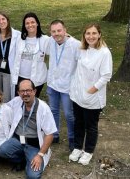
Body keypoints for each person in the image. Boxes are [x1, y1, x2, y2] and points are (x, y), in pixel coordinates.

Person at [68, 23, 112, 166]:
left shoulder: (104, 53)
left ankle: (88, 151)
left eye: (94, 33)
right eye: (88, 33)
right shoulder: (82, 49)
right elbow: (71, 41)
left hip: (93, 97)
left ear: (99, 34)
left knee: (91, 126)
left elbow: (106, 76)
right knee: (78, 123)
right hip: (78, 95)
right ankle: (77, 147)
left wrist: (92, 90)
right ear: (84, 35)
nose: (91, 36)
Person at [0, 79, 56, 178]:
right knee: (2, 151)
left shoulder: (43, 108)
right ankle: (23, 160)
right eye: (22, 91)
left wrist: (40, 155)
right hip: (17, 140)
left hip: (34, 145)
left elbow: (50, 134)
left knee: (33, 176)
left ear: (34, 91)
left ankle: (31, 159)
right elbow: (3, 109)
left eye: (28, 90)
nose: (25, 93)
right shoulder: (16, 101)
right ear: (18, 93)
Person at [46, 20, 80, 150]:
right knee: (53, 111)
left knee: (68, 114)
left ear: (65, 30)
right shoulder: (50, 41)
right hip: (52, 84)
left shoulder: (75, 45)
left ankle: (72, 138)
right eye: (53, 31)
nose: (56, 34)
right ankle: (55, 135)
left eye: (59, 30)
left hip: (67, 86)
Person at [13, 12, 49, 98]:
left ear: (37, 23)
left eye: (32, 22)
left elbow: (59, 43)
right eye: (27, 23)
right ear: (24, 26)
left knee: (32, 103)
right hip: (20, 77)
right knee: (19, 102)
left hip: (37, 79)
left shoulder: (45, 40)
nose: (30, 25)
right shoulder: (20, 38)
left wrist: (67, 36)